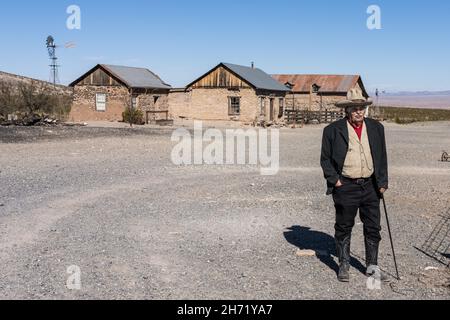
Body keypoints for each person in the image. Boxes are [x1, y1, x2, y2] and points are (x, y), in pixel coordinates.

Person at [320, 88, 389, 283]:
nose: (359, 111)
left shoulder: (376, 128)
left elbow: (382, 157)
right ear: (347, 110)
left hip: (370, 186)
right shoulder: (332, 130)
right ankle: (344, 264)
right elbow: (325, 160)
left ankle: (372, 267)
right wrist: (335, 180)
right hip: (346, 186)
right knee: (343, 226)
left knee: (373, 226)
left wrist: (382, 181)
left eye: (362, 108)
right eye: (354, 108)